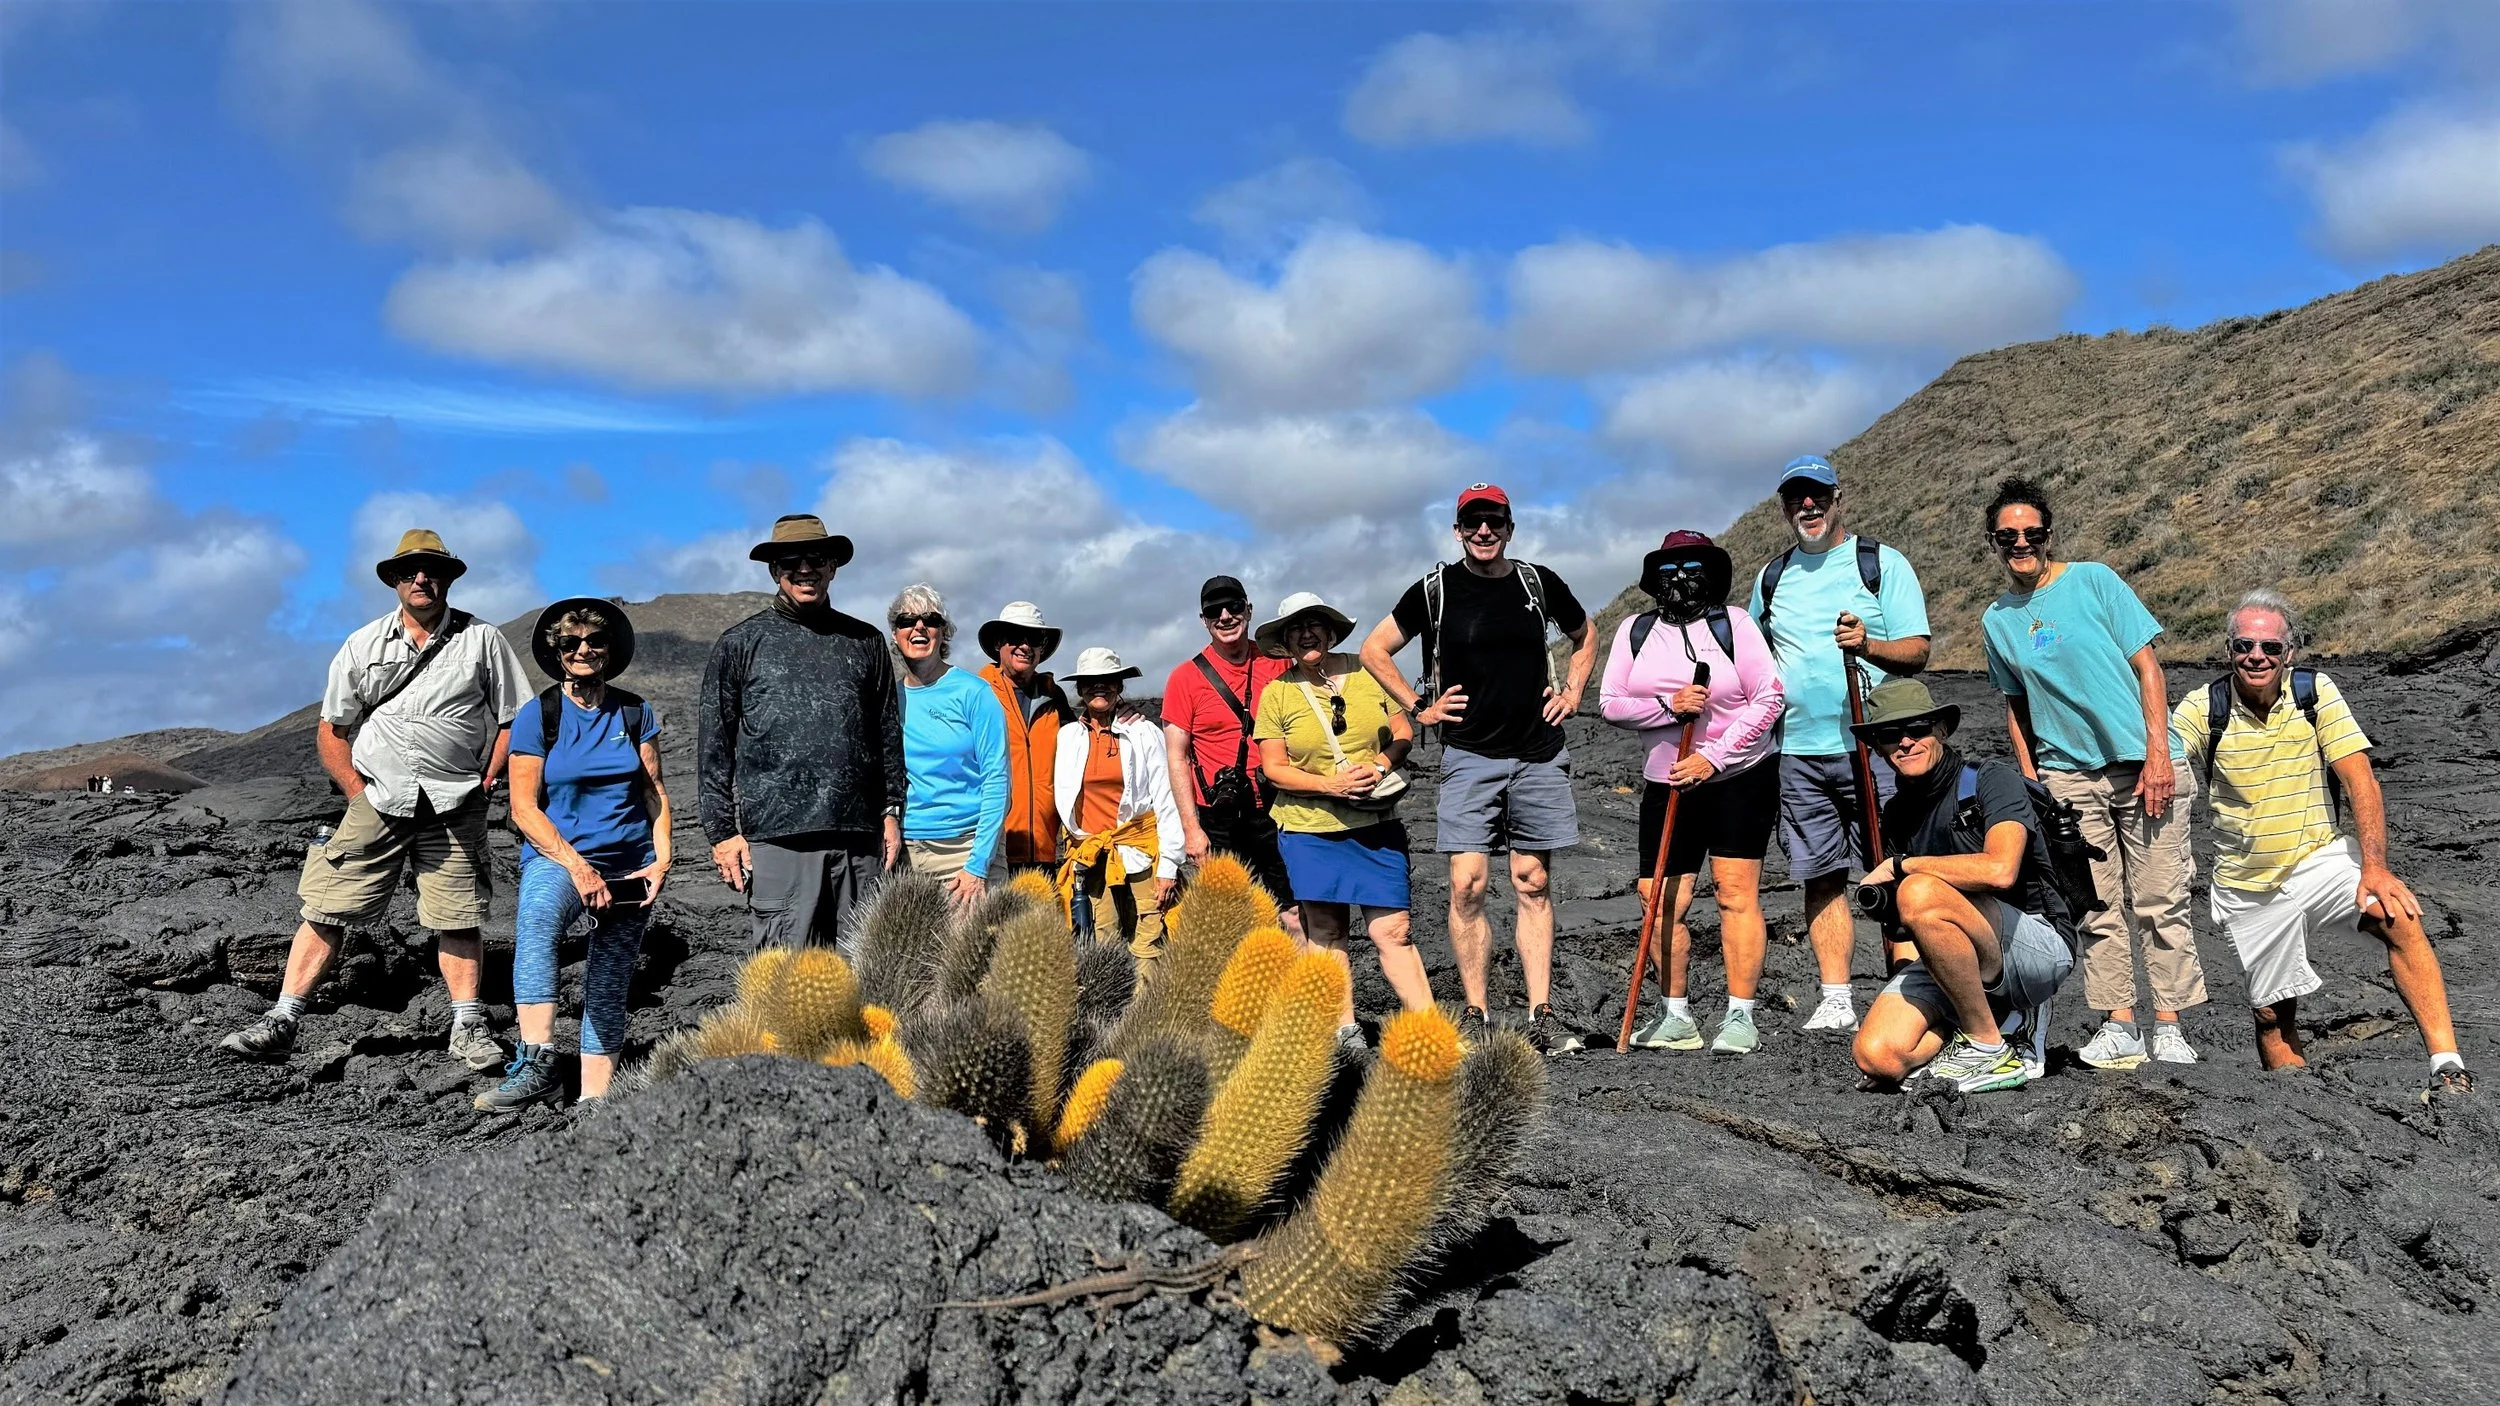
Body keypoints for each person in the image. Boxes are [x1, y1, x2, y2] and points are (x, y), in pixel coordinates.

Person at [220, 529, 527, 1068]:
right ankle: (283, 1019)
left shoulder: (483, 640)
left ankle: (468, 1027)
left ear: (449, 577)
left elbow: (514, 719)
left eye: (432, 570)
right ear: (394, 581)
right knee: (326, 908)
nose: (421, 579)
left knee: (457, 916)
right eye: (409, 572)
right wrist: (357, 792)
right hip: (378, 802)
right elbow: (332, 729)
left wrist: (489, 778)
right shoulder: (363, 643)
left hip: (455, 802)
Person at [2169, 591, 2471, 1095]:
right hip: (2247, 885)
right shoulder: (2204, 708)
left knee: (2398, 916)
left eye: (2270, 646)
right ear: (2229, 650)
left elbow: (2361, 781)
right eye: (2245, 644)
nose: (2257, 656)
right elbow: (2163, 760)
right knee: (2271, 1014)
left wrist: (2374, 867)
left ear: (2289, 653)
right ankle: (2300, 1105)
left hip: (2319, 858)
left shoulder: (2315, 693)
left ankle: (2448, 1065)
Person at [1359, 482, 1597, 1056]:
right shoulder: (1435, 590)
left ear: (1510, 527)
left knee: (1533, 882)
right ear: (1458, 530)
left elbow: (1586, 635)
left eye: (1494, 521)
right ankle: (1477, 1014)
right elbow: (1373, 650)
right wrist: (1420, 708)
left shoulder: (1538, 582)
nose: (1483, 531)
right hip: (1468, 756)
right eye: (1473, 523)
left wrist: (1572, 690)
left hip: (1538, 753)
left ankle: (1540, 1014)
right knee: (1467, 885)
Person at [1980, 476, 2207, 1069]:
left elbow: (2148, 668)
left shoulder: (2095, 580)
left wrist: (2158, 753)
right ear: (1994, 543)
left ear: (2049, 535)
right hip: (2068, 776)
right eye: (2008, 537)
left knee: (2161, 898)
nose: (2021, 544)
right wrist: (2034, 784)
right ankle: (2119, 1022)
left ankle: (2170, 1023)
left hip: (2142, 762)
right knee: (2095, 903)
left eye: (2032, 533)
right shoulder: (1998, 619)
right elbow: (2017, 707)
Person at [1746, 454, 1932, 1035]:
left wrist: (1868, 644)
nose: (1808, 506)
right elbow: (1753, 656)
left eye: (1817, 494)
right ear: (1784, 507)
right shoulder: (1771, 578)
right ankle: (1835, 996)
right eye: (1796, 497)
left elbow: (1919, 650)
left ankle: (1906, 989)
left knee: (1893, 866)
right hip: (1799, 751)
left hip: (1875, 746)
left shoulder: (1879, 564)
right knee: (1821, 873)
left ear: (1836, 497)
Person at [479, 598, 672, 1110]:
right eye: (571, 643)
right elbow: (523, 808)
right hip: (559, 856)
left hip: (631, 862)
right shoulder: (537, 716)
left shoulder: (635, 712)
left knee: (610, 974)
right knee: (540, 918)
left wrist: (662, 860)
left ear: (610, 650)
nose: (583, 650)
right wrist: (579, 868)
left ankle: (594, 1100)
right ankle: (538, 1060)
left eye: (594, 641)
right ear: (557, 652)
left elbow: (654, 793)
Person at [1602, 532, 1785, 1055]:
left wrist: (1713, 756)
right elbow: (1611, 702)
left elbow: (1768, 697)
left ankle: (1739, 1016)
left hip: (1738, 778)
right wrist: (1668, 705)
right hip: (1666, 783)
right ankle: (1676, 1017)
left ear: (1713, 571)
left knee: (1734, 893)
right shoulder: (1635, 631)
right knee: (1658, 899)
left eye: (1692, 565)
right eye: (1669, 567)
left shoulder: (1735, 625)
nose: (1680, 576)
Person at [1849, 679, 2076, 1094]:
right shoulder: (1897, 812)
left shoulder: (1991, 779)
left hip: (2037, 947)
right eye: (1889, 736)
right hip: (1958, 950)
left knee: (1917, 890)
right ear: (1877, 747)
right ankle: (1993, 1028)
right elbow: (1905, 930)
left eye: (1917, 729)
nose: (1905, 742)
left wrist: (1903, 867)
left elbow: (2001, 870)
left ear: (1941, 731)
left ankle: (1989, 1047)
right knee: (1876, 1056)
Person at [699, 514, 905, 951]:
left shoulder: (865, 641)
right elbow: (714, 747)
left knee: (864, 973)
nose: (805, 568)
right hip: (777, 840)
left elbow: (887, 731)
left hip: (859, 840)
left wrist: (891, 811)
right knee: (784, 982)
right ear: (775, 570)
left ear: (833, 566)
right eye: (792, 559)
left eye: (817, 558)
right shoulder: (740, 643)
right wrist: (722, 833)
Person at [1253, 592, 1431, 1043]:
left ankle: (1430, 1032)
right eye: (1295, 628)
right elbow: (1273, 768)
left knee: (1394, 929)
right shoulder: (1277, 694)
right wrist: (1329, 785)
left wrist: (1380, 766)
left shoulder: (1368, 669)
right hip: (1310, 827)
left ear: (1331, 631)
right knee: (1326, 929)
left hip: (1375, 823)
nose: (1306, 633)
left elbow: (1405, 731)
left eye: (1314, 624)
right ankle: (1344, 1031)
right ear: (1284, 641)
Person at [1163, 575, 1298, 920]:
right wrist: (1192, 831)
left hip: (1278, 806)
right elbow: (1177, 757)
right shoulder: (1184, 678)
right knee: (1231, 917)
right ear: (1204, 620)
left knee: (1295, 912)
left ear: (1249, 610)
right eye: (1213, 611)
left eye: (1234, 606)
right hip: (1218, 815)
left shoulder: (1279, 663)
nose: (1225, 616)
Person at [1053, 647, 1184, 959]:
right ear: (1080, 690)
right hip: (1093, 855)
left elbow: (1166, 798)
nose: (1100, 687)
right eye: (1091, 682)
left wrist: (1169, 865)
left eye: (1108, 681)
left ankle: (1148, 1006)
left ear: (1119, 686)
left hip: (1139, 849)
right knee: (1103, 939)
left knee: (1150, 936)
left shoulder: (1144, 732)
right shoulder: (1068, 737)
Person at [890, 584, 1009, 910]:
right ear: (895, 633)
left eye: (930, 619)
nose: (918, 627)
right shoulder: (889, 699)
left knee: (972, 959)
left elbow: (997, 780)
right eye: (906, 620)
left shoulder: (974, 693)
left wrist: (978, 864)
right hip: (908, 854)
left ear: (943, 633)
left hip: (967, 850)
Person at [978, 601, 1073, 875]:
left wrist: (1122, 714)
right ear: (998, 643)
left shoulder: (1056, 698)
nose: (1024, 646)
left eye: (1033, 638)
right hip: (993, 851)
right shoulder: (979, 694)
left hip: (1047, 850)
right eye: (1015, 638)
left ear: (1042, 647)